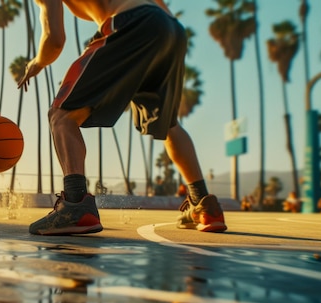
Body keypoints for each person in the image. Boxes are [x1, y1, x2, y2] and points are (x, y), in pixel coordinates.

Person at [19, 0, 227, 235]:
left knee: (61, 114)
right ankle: (204, 205)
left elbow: (54, 40)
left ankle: (75, 204)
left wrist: (37, 62)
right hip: (171, 29)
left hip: (132, 21)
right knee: (169, 124)